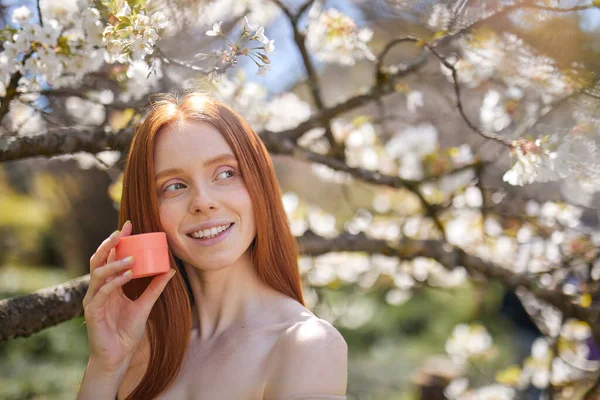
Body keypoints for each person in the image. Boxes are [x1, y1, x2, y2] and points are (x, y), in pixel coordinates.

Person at [77, 92, 348, 400]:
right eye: (174, 186)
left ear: (259, 185)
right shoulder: (137, 350)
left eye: (225, 173)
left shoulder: (303, 345)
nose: (203, 202)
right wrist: (105, 367)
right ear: (149, 212)